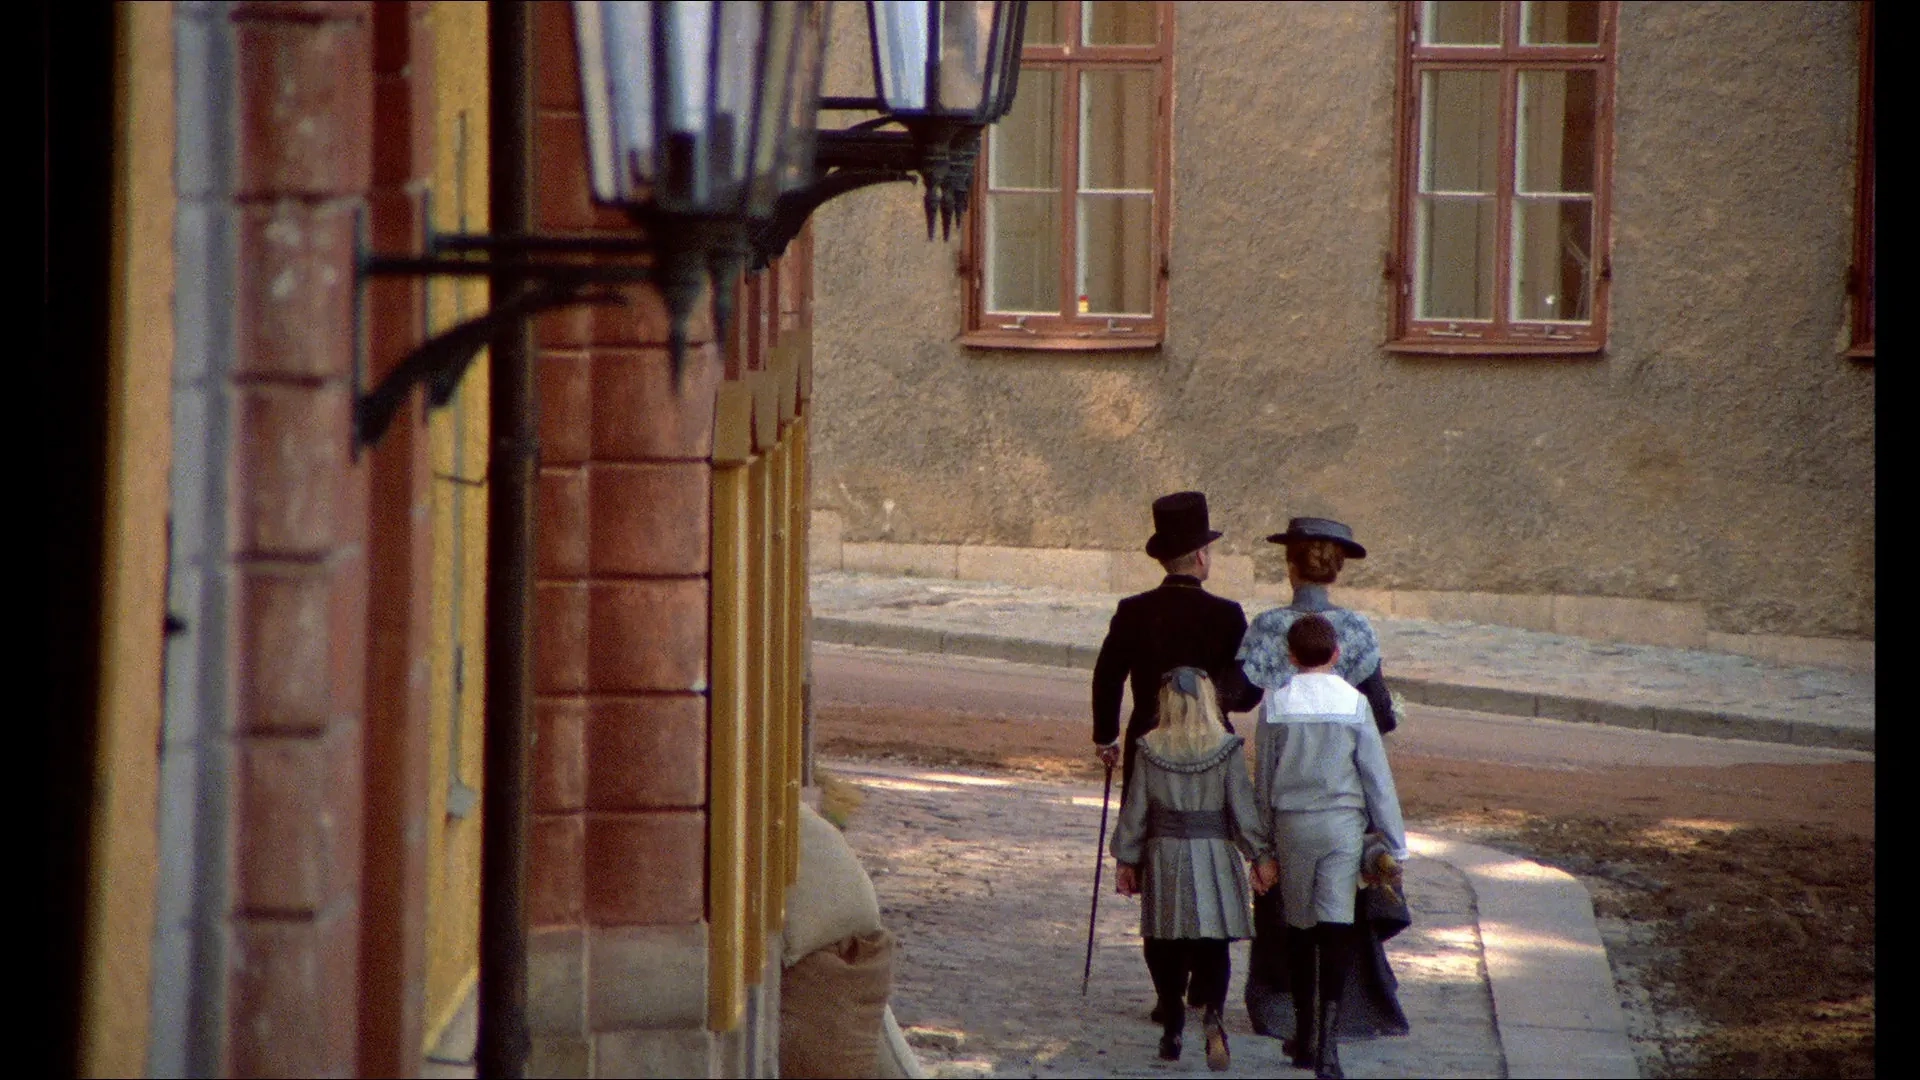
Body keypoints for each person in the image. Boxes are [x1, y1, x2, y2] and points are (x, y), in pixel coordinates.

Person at [1236, 516, 1412, 1047]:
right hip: (1341, 810)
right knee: (1339, 915)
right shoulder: (1356, 631)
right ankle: (1334, 1027)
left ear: (1290, 566)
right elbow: (1380, 716)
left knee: (1292, 922)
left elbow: (1243, 698)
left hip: (1288, 809)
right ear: (1337, 568)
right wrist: (1393, 841)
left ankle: (1291, 1017)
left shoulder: (1269, 627)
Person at [1253, 615, 1409, 1079]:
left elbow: (1263, 780)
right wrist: (1395, 845)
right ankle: (1329, 1043)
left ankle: (1303, 1034)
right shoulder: (1355, 704)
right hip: (1342, 825)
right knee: (1337, 927)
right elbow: (1376, 779)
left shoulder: (1276, 705)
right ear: (1337, 654)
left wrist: (1261, 847)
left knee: (1299, 931)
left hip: (1292, 825)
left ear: (1291, 657)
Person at [1109, 667, 1276, 1070]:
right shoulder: (1227, 748)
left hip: (1165, 854)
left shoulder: (1149, 747)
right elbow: (1242, 807)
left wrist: (1126, 859)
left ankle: (1172, 1023)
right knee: (1213, 944)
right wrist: (1259, 855)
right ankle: (1214, 1015)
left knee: (1162, 942)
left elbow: (1136, 811)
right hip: (1214, 853)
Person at [1092, 491, 1263, 800]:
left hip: (1147, 739)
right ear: (1200, 556)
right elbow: (1247, 693)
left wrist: (1106, 738)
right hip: (1211, 742)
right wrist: (1217, 705)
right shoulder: (1227, 614)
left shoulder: (1133, 610)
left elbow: (1107, 677)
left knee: (1145, 827)